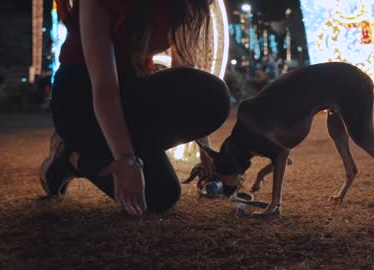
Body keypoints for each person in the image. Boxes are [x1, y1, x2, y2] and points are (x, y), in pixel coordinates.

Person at [40, 0, 231, 216]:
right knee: (158, 196)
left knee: (213, 95)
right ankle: (69, 158)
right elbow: (105, 88)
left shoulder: (184, 4)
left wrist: (204, 149)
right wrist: (126, 159)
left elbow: (184, 73)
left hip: (131, 89)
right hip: (82, 100)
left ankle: (100, 152)